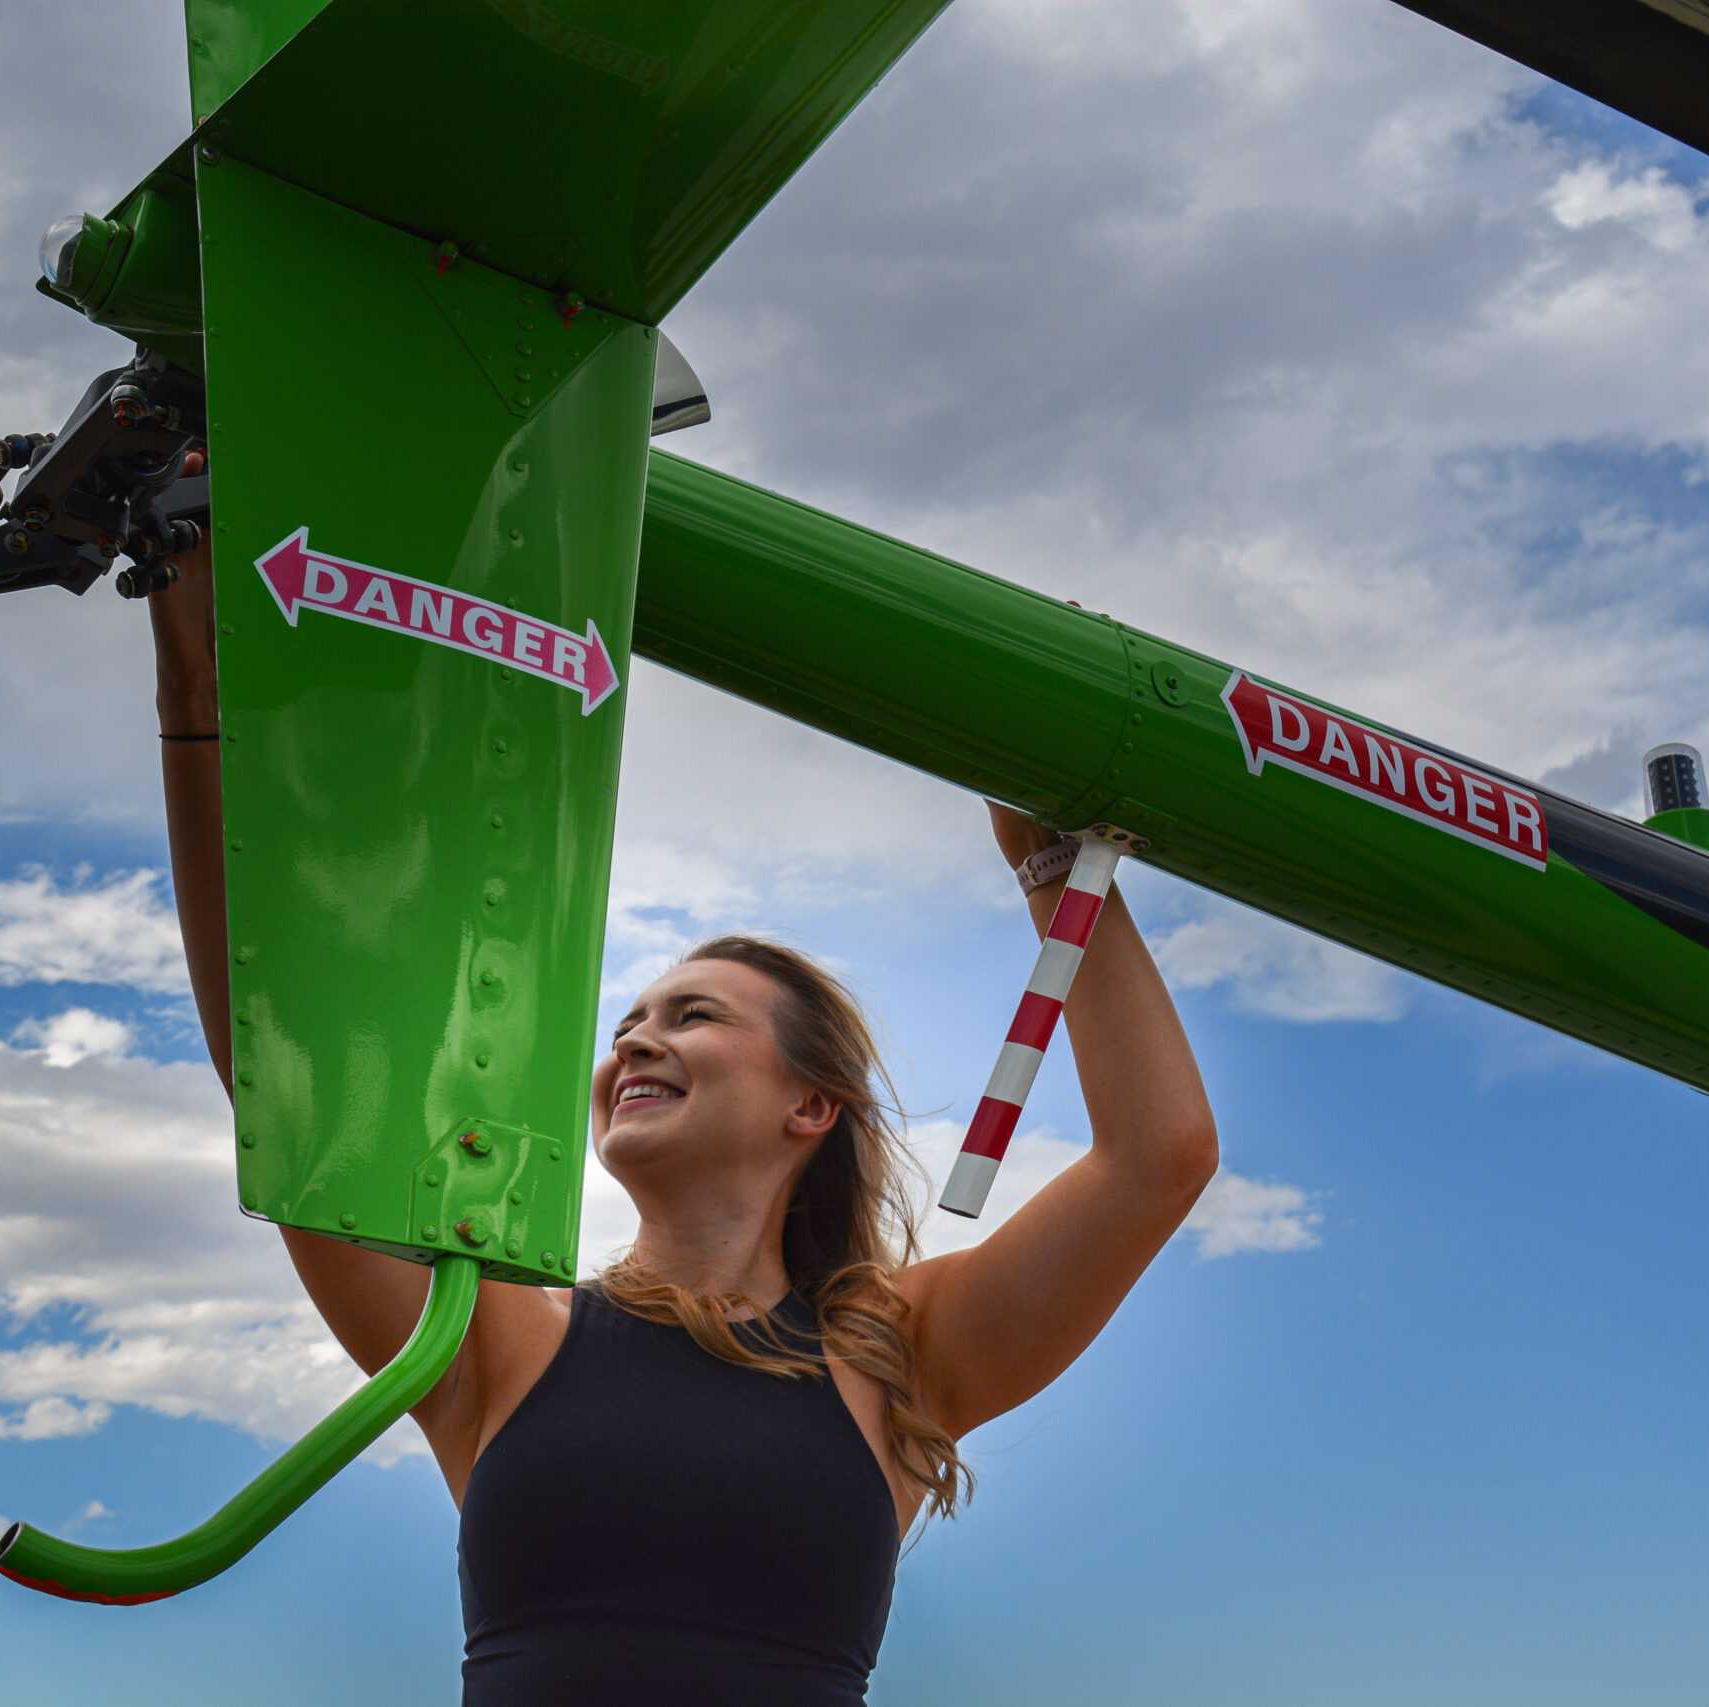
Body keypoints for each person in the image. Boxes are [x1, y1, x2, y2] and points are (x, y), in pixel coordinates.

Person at [149, 451, 1219, 1704]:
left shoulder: (899, 1357)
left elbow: (1159, 1157)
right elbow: (285, 1071)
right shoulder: (490, 1339)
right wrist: (193, 667)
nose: (633, 1044)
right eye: (628, 1026)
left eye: (692, 1017)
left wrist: (1050, 863)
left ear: (809, 1107)